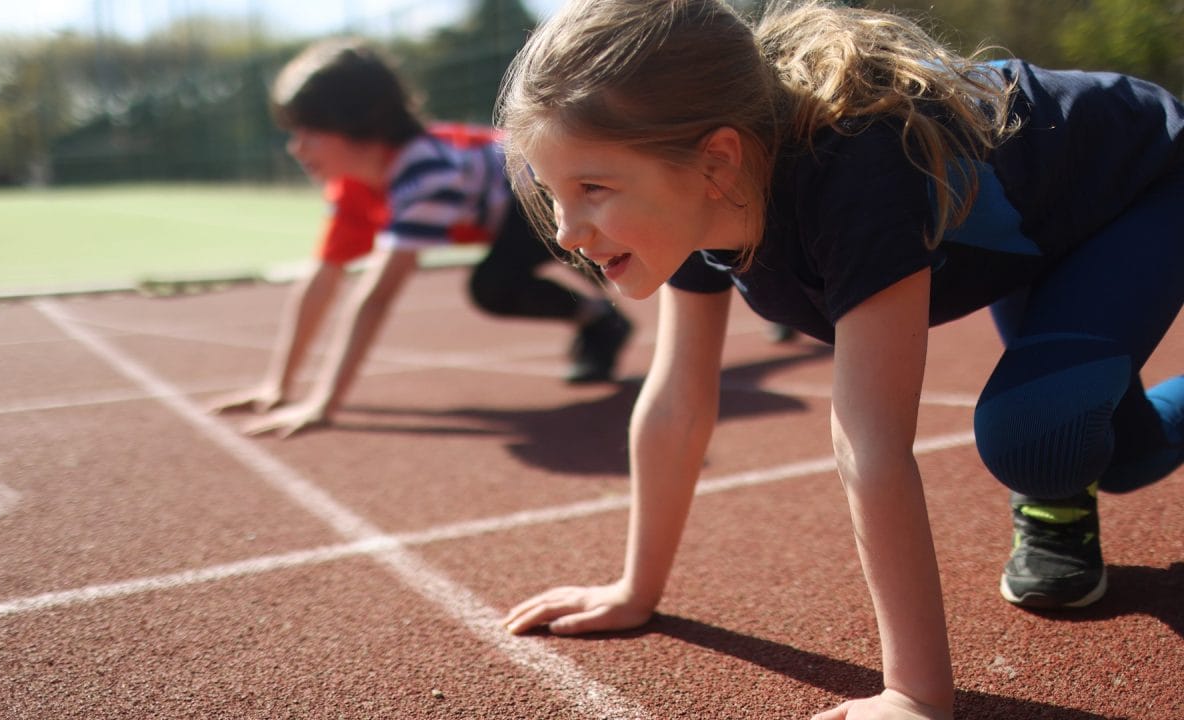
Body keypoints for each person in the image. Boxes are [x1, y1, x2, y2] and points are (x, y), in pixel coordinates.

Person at [494, 1, 1184, 718]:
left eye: (593, 189)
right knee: (1123, 455)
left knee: (1037, 439)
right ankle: (1074, 467)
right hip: (1037, 223)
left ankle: (1056, 483)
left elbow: (870, 441)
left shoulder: (854, 170)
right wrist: (634, 589)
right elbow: (677, 403)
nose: (566, 233)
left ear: (716, 161)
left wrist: (914, 695)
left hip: (1140, 183)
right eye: (552, 193)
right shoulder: (694, 197)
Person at [210, 38, 632, 437]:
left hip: (539, 192)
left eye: (309, 133)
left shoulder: (422, 172)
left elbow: (376, 298)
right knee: (504, 281)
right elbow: (322, 280)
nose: (296, 148)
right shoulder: (352, 185)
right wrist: (279, 386)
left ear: (357, 124)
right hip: (507, 210)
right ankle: (600, 315)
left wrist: (323, 404)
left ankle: (603, 315)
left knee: (500, 284)